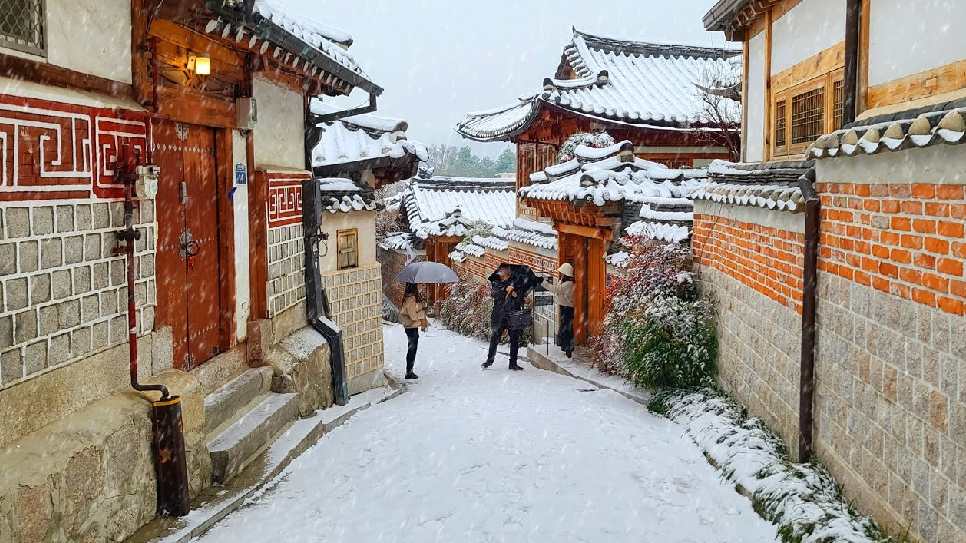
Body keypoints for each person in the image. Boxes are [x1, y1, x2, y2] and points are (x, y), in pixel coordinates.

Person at [483, 263, 542, 371]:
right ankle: (489, 360)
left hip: (513, 315)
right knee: (495, 338)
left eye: (505, 270)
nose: (503, 272)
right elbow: (494, 294)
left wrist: (519, 296)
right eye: (502, 270)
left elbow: (519, 299)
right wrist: (505, 289)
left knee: (514, 339)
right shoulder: (496, 282)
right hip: (499, 315)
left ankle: (513, 363)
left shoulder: (516, 283)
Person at [542, 263, 575, 357]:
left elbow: (556, 289)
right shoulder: (564, 282)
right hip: (564, 307)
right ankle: (566, 347)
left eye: (562, 273)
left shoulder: (568, 284)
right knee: (565, 327)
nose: (561, 274)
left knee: (567, 328)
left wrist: (544, 283)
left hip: (567, 308)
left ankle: (568, 348)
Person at [398, 283, 428, 379]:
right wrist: (421, 310)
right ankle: (409, 372)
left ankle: (409, 371)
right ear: (414, 287)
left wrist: (420, 306)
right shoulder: (410, 299)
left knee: (412, 349)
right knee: (412, 350)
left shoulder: (409, 298)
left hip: (411, 327)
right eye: (417, 286)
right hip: (411, 328)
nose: (419, 287)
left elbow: (414, 309)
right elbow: (413, 316)